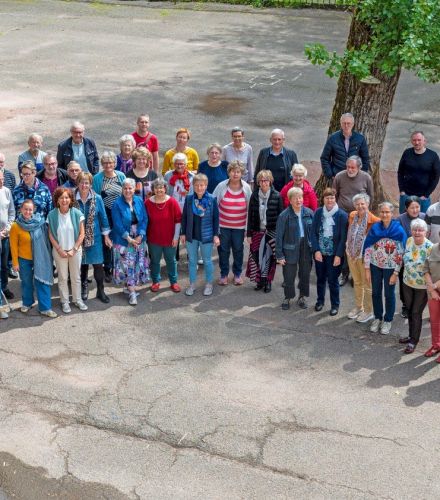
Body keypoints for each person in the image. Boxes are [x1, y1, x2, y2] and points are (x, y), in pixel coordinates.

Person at [364, 202, 407, 334]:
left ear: (392, 213)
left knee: (389, 294)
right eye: (382, 212)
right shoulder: (375, 228)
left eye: (387, 212)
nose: (384, 214)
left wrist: (395, 272)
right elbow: (368, 248)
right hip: (375, 266)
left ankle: (388, 320)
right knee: (376, 293)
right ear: (379, 213)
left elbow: (401, 253)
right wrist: (367, 268)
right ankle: (378, 317)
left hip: (390, 269)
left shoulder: (398, 230)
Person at [9, 200, 57, 318]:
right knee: (26, 283)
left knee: (42, 281)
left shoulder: (39, 223)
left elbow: (46, 241)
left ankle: (45, 308)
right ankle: (27, 303)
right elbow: (13, 246)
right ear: (21, 209)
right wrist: (15, 263)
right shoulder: (15, 226)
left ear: (33, 210)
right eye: (25, 209)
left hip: (40, 258)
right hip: (24, 260)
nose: (28, 211)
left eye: (30, 209)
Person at [333, 155, 374, 286]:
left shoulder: (366, 177)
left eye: (353, 167)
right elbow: (335, 195)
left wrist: (365, 214)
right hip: (343, 215)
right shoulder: (339, 176)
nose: (349, 170)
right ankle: (344, 273)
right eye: (348, 167)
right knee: (345, 244)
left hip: (360, 217)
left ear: (359, 167)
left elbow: (371, 197)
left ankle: (355, 275)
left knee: (358, 245)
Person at [48, 188, 87, 314]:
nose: (64, 200)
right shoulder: (52, 215)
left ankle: (78, 299)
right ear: (57, 200)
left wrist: (74, 249)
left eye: (66, 197)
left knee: (76, 277)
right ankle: (65, 302)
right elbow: (51, 235)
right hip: (59, 252)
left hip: (75, 251)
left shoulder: (77, 213)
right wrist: (59, 250)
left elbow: (82, 234)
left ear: (70, 199)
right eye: (61, 198)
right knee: (62, 277)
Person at [75, 172, 112, 304]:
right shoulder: (72, 198)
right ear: (77, 183)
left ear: (91, 184)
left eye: (87, 183)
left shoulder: (97, 198)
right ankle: (84, 287)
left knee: (97, 265)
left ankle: (100, 290)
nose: (84, 185)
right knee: (82, 265)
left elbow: (103, 217)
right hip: (77, 237)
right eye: (81, 182)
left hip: (94, 237)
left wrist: (106, 236)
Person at [213, 161, 252, 286]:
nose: (235, 174)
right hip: (223, 226)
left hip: (239, 227)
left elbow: (250, 209)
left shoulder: (246, 188)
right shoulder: (221, 186)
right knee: (223, 251)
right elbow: (214, 204)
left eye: (238, 172)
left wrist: (247, 228)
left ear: (241, 174)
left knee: (238, 250)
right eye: (233, 171)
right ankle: (224, 274)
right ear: (228, 172)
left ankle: (237, 274)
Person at [111, 178, 149, 306]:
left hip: (138, 237)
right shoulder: (117, 204)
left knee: (136, 263)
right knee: (127, 265)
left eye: (130, 188)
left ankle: (130, 287)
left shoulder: (139, 200)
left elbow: (144, 219)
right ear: (122, 189)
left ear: (134, 189)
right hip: (123, 239)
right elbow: (117, 224)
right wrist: (129, 238)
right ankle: (132, 293)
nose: (128, 190)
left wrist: (140, 234)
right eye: (125, 188)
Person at [181, 173, 220, 297]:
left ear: (206, 185)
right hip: (191, 235)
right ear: (193, 186)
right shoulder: (189, 199)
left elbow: (216, 219)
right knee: (192, 261)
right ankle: (192, 284)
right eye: (197, 185)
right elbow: (184, 217)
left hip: (206, 236)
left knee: (207, 261)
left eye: (202, 185)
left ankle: (209, 284)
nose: (199, 188)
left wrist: (216, 235)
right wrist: (182, 233)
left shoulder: (211, 199)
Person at [311, 188, 348, 316]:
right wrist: (316, 250)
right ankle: (320, 301)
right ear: (323, 199)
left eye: (332, 197)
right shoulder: (318, 213)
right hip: (320, 254)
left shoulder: (342, 215)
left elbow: (343, 238)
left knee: (333, 280)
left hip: (334, 255)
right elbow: (313, 233)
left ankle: (335, 305)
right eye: (327, 198)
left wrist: (338, 255)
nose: (329, 200)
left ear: (335, 198)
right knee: (320, 279)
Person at [276, 187, 314, 310]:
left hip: (305, 247)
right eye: (295, 198)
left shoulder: (309, 213)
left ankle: (302, 297)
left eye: (300, 197)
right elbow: (279, 237)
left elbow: (314, 233)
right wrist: (279, 255)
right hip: (290, 248)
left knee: (304, 274)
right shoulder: (284, 216)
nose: (299, 200)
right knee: (289, 275)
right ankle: (288, 297)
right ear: (290, 200)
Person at [246, 170, 283, 293]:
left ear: (270, 181)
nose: (263, 183)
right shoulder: (254, 196)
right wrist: (249, 234)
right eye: (261, 181)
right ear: (258, 182)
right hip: (257, 231)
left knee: (269, 258)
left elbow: (281, 217)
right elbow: (250, 215)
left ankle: (268, 281)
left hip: (271, 232)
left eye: (266, 180)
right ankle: (259, 281)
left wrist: (280, 235)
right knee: (257, 257)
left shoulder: (277, 196)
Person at [346, 193, 380, 323]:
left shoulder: (375, 221)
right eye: (357, 204)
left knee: (367, 285)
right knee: (357, 282)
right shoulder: (352, 215)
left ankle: (368, 311)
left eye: (362, 204)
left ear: (367, 204)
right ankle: (358, 307)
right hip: (352, 255)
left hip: (365, 259)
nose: (360, 206)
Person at [400, 219, 432, 353]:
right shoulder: (408, 241)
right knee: (409, 310)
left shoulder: (430, 247)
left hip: (422, 287)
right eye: (414, 229)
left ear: (426, 232)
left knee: (416, 312)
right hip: (407, 282)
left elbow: (433, 269)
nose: (417, 232)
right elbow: (402, 258)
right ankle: (410, 335)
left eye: (420, 230)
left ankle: (414, 341)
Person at [92, 152, 126, 282]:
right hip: (105, 214)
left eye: (110, 162)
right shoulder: (97, 178)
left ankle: (120, 267)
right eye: (105, 163)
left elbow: (125, 194)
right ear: (102, 164)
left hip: (119, 213)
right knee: (107, 243)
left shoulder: (121, 176)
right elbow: (96, 197)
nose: (108, 165)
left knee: (119, 240)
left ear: (114, 163)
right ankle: (108, 268)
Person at [145, 178, 182, 292]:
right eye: (156, 188)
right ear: (153, 189)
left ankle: (174, 282)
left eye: (161, 187)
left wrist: (176, 238)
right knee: (155, 261)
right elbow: (144, 221)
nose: (159, 190)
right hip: (154, 239)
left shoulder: (172, 202)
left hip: (170, 239)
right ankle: (156, 281)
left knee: (171, 260)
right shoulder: (147, 203)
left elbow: (178, 221)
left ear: (165, 189)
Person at [397, 131, 440, 213]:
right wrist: (402, 191)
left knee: (422, 222)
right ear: (411, 141)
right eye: (414, 140)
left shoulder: (433, 156)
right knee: (403, 221)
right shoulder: (407, 153)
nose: (416, 142)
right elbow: (400, 172)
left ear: (424, 141)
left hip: (423, 198)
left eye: (419, 140)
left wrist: (426, 194)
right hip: (406, 195)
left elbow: (436, 177)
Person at [397, 196, 425, 318]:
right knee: (404, 284)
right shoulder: (400, 219)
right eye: (412, 207)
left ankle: (416, 308)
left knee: (419, 285)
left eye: (417, 207)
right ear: (406, 208)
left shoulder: (424, 217)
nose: (415, 210)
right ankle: (405, 306)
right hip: (405, 258)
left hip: (421, 258)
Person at [320, 113, 370, 181]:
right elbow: (324, 158)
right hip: (337, 177)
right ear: (341, 124)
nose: (346, 126)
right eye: (344, 123)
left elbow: (366, 159)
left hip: (355, 177)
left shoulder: (360, 139)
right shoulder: (333, 138)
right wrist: (330, 175)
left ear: (352, 124)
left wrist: (361, 175)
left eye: (348, 123)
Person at [423, 240, 440, 362]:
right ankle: (436, 345)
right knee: (434, 320)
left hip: (435, 287)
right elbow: (426, 269)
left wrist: (434, 286)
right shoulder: (433, 248)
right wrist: (431, 289)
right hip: (433, 291)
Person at [0, 171, 15, 302]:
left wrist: (8, 228)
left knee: (4, 265)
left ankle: (4, 287)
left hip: (5, 236)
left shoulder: (6, 191)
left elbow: (11, 212)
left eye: (2, 178)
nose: (1, 181)